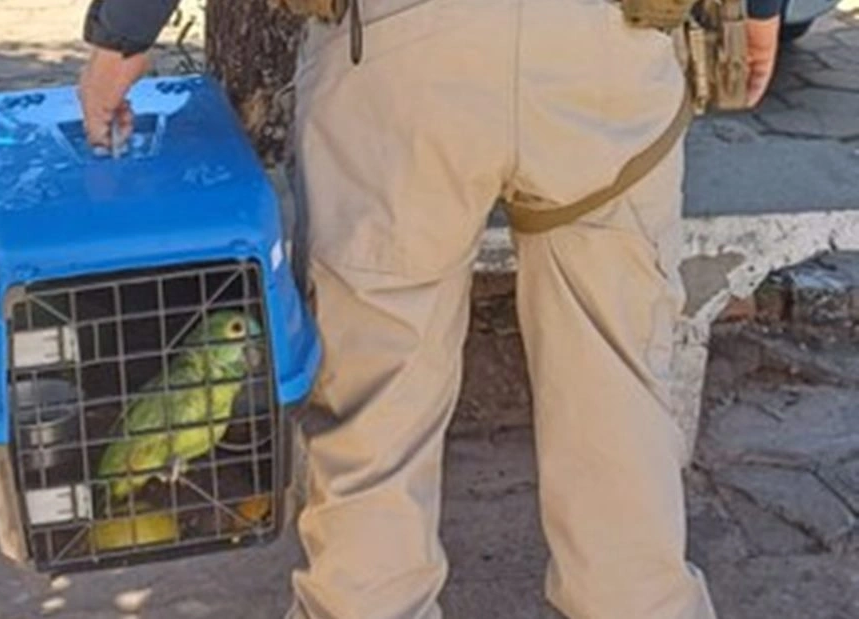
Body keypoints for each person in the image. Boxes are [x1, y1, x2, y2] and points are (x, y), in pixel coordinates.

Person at [78, 1, 782, 617]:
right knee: (619, 382)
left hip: (396, 54)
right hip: (609, 47)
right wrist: (760, 9)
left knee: (375, 393)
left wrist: (124, 34)